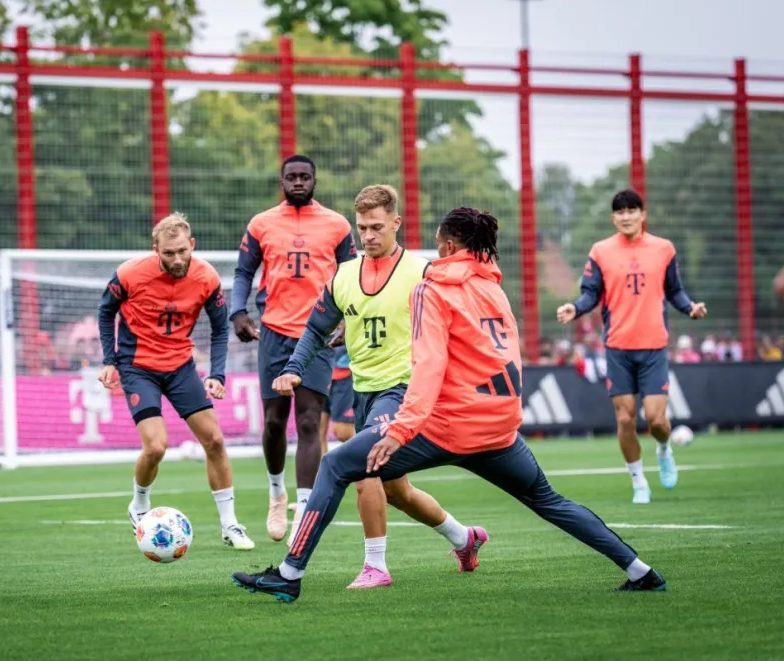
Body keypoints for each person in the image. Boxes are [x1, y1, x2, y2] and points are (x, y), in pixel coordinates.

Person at [231, 207, 666, 603]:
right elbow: (507, 358)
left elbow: (428, 368)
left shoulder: (430, 289)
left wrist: (400, 431)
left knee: (338, 465)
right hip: (498, 428)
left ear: (450, 246)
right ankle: (640, 569)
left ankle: (290, 574)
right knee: (548, 500)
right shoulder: (493, 289)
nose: (435, 248)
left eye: (439, 241)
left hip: (445, 428)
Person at [271, 185, 484, 589]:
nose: (368, 236)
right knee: (398, 492)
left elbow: (459, 323)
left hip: (404, 389)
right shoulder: (345, 274)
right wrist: (295, 368)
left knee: (361, 463)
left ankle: (375, 567)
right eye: (362, 228)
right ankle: (464, 537)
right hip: (364, 390)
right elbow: (317, 328)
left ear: (396, 223)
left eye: (376, 227)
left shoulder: (422, 272)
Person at [97, 213, 254, 550]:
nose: (177, 258)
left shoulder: (206, 277)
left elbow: (221, 327)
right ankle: (139, 504)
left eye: (183, 250)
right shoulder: (129, 274)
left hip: (181, 367)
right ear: (156, 250)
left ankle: (230, 525)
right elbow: (105, 310)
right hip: (137, 368)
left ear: (192, 245)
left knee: (214, 440)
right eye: (169, 253)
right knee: (156, 447)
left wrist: (216, 374)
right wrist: (110, 360)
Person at [230, 154, 357, 544]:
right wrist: (237, 311)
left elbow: (353, 276)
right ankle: (275, 492)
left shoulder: (337, 225)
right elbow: (243, 272)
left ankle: (303, 510)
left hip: (315, 336)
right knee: (273, 422)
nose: (298, 181)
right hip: (273, 332)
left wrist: (349, 319)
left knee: (308, 421)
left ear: (315, 180)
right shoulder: (262, 223)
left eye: (305, 176)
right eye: (291, 177)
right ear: (282, 181)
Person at [556, 189, 707, 504]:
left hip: (653, 347)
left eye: (631, 210)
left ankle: (664, 450)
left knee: (655, 420)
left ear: (643, 214)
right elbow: (590, 293)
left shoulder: (663, 249)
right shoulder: (600, 251)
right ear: (613, 218)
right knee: (625, 419)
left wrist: (690, 307)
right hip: (617, 348)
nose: (626, 216)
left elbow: (675, 291)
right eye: (620, 212)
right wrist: (575, 308)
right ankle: (639, 482)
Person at [319, 323, 356, 456]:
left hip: (345, 376)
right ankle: (321, 476)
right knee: (315, 431)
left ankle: (372, 466)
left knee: (343, 432)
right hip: (320, 373)